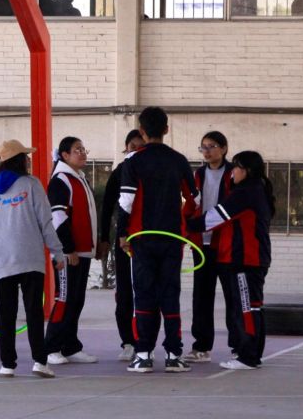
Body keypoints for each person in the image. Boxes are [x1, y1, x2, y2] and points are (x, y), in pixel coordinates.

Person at [118, 107, 198, 373]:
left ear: (142, 131)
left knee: (144, 295)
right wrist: (182, 224)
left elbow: (126, 201)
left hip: (142, 238)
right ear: (166, 129)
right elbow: (194, 199)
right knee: (170, 294)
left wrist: (122, 233)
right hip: (172, 238)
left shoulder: (133, 161)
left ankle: (143, 354)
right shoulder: (179, 160)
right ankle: (174, 355)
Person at [0, 139, 65, 378]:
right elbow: (45, 221)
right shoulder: (31, 184)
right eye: (26, 156)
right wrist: (57, 252)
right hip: (31, 259)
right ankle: (39, 362)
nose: (29, 159)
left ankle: (7, 364)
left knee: (6, 314)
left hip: (2, 261)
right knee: (34, 312)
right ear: (19, 160)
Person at [186, 151, 274, 370]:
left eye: (236, 167)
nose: (232, 172)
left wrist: (183, 225)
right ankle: (252, 354)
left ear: (247, 171)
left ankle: (247, 356)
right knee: (253, 306)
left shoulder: (246, 193)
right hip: (250, 259)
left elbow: (215, 217)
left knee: (246, 307)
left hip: (245, 260)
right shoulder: (256, 190)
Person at [45, 136, 99, 365]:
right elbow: (58, 218)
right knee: (64, 298)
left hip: (82, 252)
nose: (83, 153)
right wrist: (68, 249)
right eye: (77, 149)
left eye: (83, 148)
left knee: (76, 300)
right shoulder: (61, 180)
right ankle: (50, 348)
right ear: (65, 155)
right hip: (67, 254)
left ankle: (70, 346)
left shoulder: (79, 178)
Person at [183, 131, 235, 364]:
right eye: (203, 147)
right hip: (200, 244)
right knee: (201, 297)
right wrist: (186, 228)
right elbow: (190, 204)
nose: (206, 151)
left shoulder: (233, 173)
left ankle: (238, 346)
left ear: (223, 149)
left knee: (232, 296)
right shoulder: (198, 174)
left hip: (225, 244)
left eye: (211, 146)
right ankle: (201, 347)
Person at [96, 128, 145, 363]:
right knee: (125, 291)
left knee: (146, 292)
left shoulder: (153, 171)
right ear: (126, 149)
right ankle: (128, 342)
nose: (136, 150)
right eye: (132, 147)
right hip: (125, 240)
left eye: (140, 147)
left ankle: (145, 341)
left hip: (148, 240)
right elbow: (107, 208)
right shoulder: (119, 172)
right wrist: (105, 239)